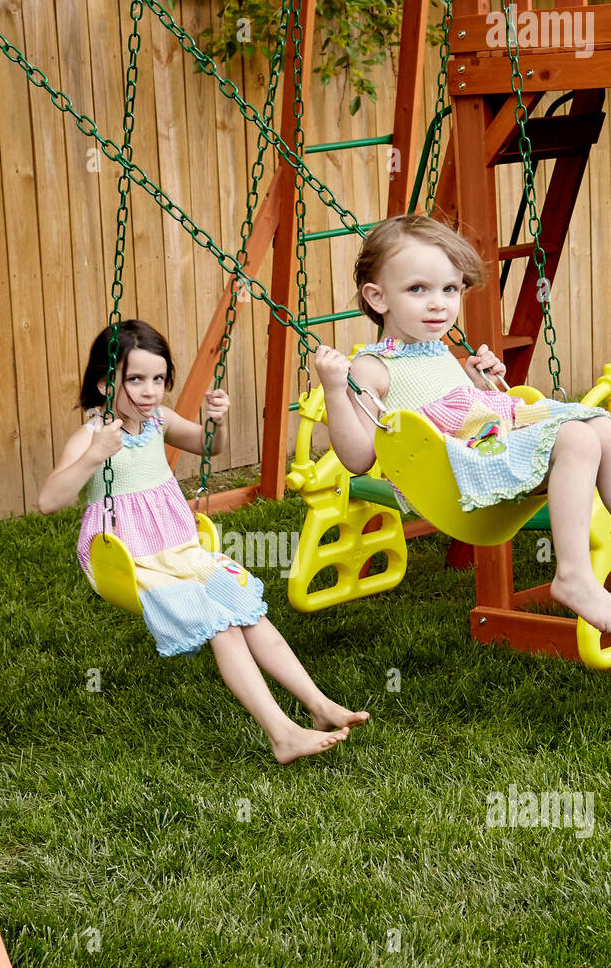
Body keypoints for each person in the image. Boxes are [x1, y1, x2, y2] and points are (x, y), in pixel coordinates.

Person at [313, 215, 611, 636]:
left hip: (486, 451)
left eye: (450, 289)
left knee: (602, 427)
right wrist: (335, 392)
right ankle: (573, 575)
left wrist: (479, 384)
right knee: (577, 437)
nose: (439, 303)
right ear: (378, 298)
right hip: (453, 480)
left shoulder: (437, 350)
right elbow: (359, 458)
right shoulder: (372, 367)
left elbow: (460, 413)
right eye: (418, 289)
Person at [39, 320, 368, 763]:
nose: (149, 390)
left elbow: (209, 448)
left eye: (158, 379)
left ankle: (320, 706)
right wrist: (95, 455)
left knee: (246, 609)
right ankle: (281, 733)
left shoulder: (159, 422)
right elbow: (49, 500)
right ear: (104, 382)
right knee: (222, 624)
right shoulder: (91, 435)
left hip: (180, 549)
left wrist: (217, 422)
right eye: (134, 379)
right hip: (128, 562)